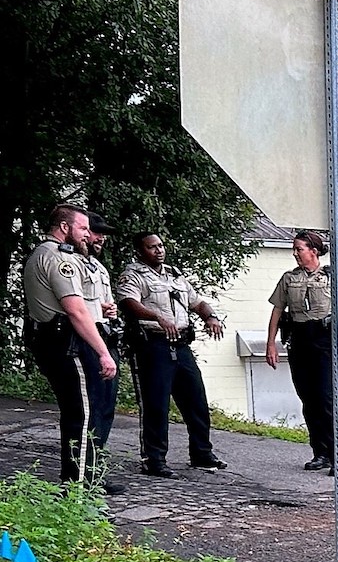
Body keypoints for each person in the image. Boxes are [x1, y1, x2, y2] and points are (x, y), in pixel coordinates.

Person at [116, 232, 227, 477]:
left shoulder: (174, 274)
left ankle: (201, 453)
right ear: (140, 251)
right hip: (153, 344)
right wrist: (156, 316)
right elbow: (128, 303)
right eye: (152, 247)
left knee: (196, 399)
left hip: (181, 344)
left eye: (161, 245)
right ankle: (154, 459)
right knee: (156, 403)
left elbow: (197, 302)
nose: (159, 250)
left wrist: (210, 317)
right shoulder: (133, 275)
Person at [22, 204, 118, 487]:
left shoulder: (53, 255)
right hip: (67, 343)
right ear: (65, 228)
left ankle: (83, 482)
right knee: (83, 417)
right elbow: (75, 311)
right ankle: (78, 492)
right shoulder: (57, 257)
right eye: (83, 228)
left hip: (61, 339)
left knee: (83, 413)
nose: (89, 235)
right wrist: (103, 353)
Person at [265, 230, 335, 472]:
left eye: (299, 249)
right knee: (309, 400)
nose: (295, 253)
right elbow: (277, 310)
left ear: (313, 251)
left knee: (327, 398)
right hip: (300, 339)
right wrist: (270, 343)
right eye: (294, 249)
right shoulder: (289, 278)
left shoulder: (333, 276)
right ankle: (321, 452)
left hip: (325, 340)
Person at [79, 211, 123, 463]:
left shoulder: (98, 267)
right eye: (97, 232)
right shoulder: (72, 263)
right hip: (88, 340)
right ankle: (84, 470)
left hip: (105, 336)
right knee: (92, 407)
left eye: (103, 234)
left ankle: (95, 468)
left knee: (106, 407)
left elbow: (101, 302)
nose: (101, 238)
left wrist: (109, 309)